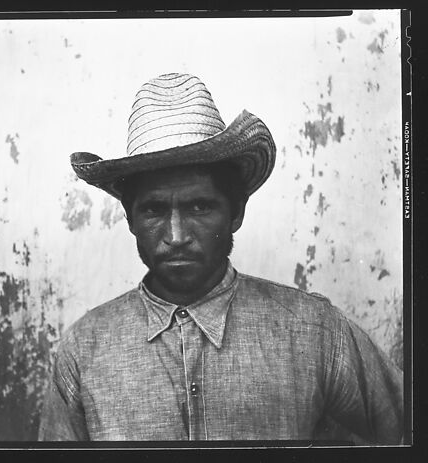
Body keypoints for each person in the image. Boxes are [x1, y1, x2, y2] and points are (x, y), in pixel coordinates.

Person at [38, 73, 403, 443]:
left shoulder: (316, 333)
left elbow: (411, 436)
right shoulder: (85, 348)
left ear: (236, 212)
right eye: (154, 210)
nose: (176, 236)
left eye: (200, 206)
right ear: (130, 218)